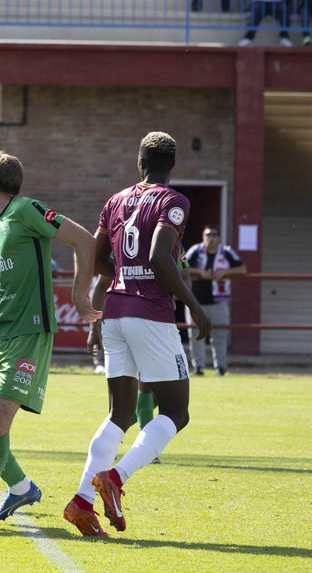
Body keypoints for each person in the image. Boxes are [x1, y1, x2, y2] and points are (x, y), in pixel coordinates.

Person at [0, 150, 100, 531]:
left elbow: (85, 241)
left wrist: (80, 294)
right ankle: (21, 486)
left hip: (27, 334)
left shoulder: (28, 210)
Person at [62, 132, 210, 537]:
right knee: (176, 413)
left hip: (116, 312)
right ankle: (117, 477)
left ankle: (81, 501)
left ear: (139, 162)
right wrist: (194, 305)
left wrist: (104, 303)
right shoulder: (173, 201)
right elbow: (161, 258)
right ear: (172, 165)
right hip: (151, 315)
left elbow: (94, 258)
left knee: (118, 414)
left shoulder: (115, 200)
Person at [183, 225, 246, 375]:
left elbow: (242, 269)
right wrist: (200, 272)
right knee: (195, 335)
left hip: (219, 300)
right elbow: (182, 267)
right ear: (203, 237)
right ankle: (198, 367)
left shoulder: (226, 251)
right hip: (195, 302)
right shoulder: (195, 251)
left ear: (219, 238)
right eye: (207, 234)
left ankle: (221, 368)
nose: (210, 237)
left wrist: (225, 272)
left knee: (220, 335)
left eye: (214, 234)